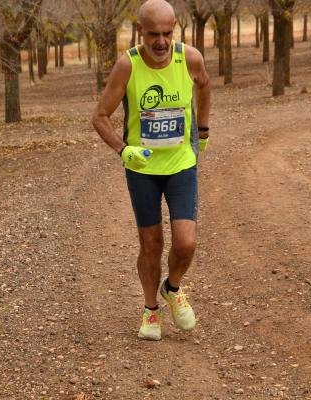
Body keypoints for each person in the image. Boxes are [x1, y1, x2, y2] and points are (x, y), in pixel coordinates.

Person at [92, 0, 211, 340]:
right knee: (151, 242)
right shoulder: (127, 66)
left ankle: (171, 288)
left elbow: (204, 85)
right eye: (154, 34)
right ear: (140, 31)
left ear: (175, 29)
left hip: (180, 164)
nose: (161, 42)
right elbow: (100, 117)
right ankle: (150, 311)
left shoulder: (189, 58)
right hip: (142, 169)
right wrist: (123, 149)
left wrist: (202, 130)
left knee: (186, 243)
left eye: (168, 33)